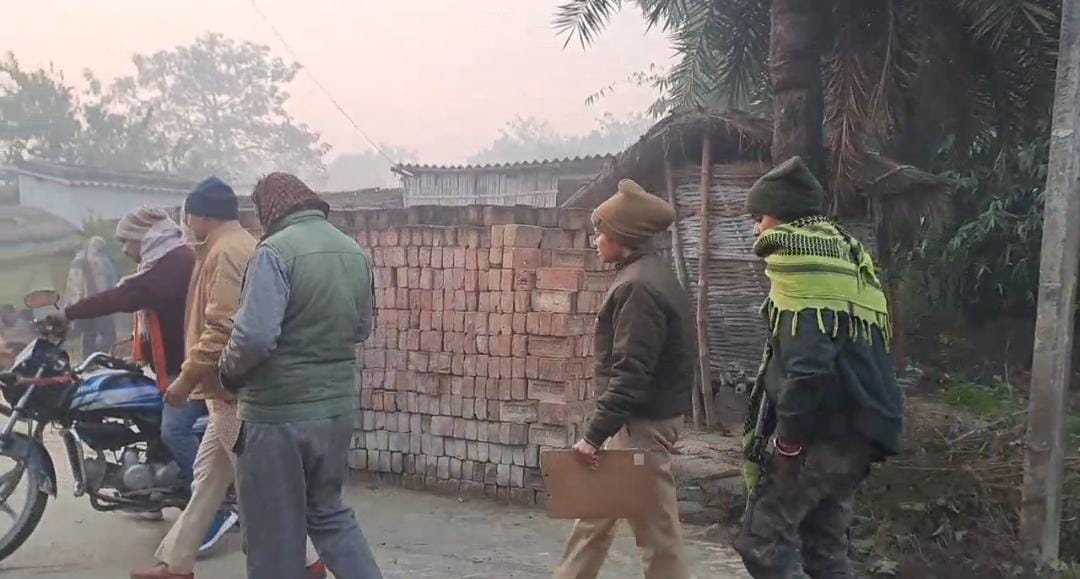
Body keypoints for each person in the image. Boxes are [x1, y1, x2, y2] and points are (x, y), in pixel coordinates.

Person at [734, 157, 904, 578]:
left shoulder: (805, 276)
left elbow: (808, 368)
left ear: (784, 217)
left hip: (818, 436)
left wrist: (788, 441)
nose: (756, 230)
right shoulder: (848, 262)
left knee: (763, 545)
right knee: (825, 549)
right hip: (859, 434)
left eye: (760, 218)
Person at [219, 173, 382, 579]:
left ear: (268, 210)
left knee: (272, 534)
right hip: (335, 411)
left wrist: (227, 372)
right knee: (328, 514)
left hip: (277, 414)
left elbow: (254, 337)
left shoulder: (274, 252)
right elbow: (362, 328)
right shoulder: (353, 251)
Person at [553, 179, 693, 579]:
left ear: (622, 236)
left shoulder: (639, 288)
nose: (596, 240)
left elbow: (632, 372)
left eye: (601, 232)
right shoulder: (651, 274)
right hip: (635, 423)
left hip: (642, 427)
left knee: (656, 532)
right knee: (593, 517)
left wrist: (593, 436)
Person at [51, 208, 205, 511]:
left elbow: (126, 296)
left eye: (127, 240)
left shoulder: (176, 262)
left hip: (194, 370)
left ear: (145, 237)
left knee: (173, 430)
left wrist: (69, 313)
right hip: (177, 367)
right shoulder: (161, 262)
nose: (124, 249)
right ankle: (147, 495)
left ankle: (204, 502)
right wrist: (137, 358)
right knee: (145, 419)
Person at [64, 236, 119, 357]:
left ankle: (88, 361)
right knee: (108, 335)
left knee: (88, 335)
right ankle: (98, 356)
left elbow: (72, 285)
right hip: (101, 304)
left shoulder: (77, 261)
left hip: (83, 305)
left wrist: (72, 305)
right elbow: (111, 281)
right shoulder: (102, 260)